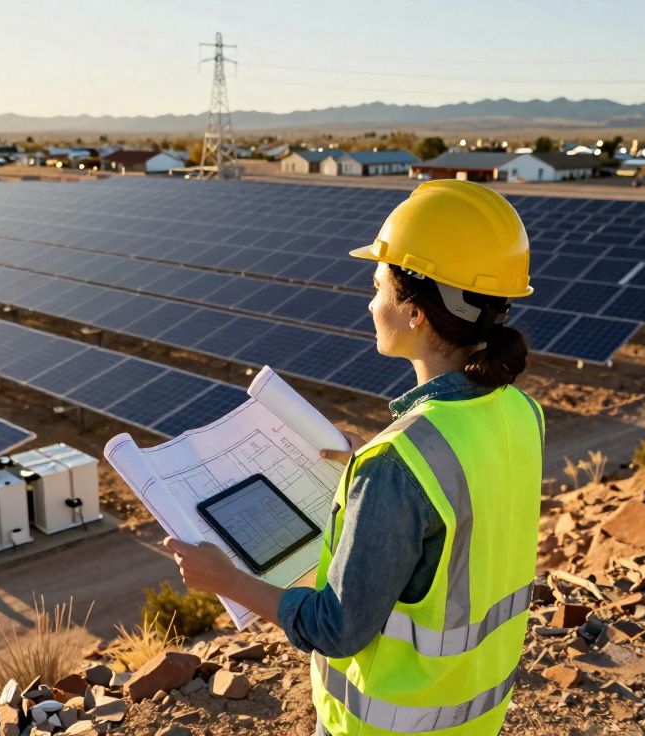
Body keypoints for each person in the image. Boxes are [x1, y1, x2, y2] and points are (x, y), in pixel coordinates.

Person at [165, 179, 544, 735]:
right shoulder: (521, 412)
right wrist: (373, 472)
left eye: (377, 286)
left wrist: (225, 579)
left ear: (414, 312)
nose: (370, 304)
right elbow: (460, 515)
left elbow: (336, 628)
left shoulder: (398, 465)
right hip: (475, 717)